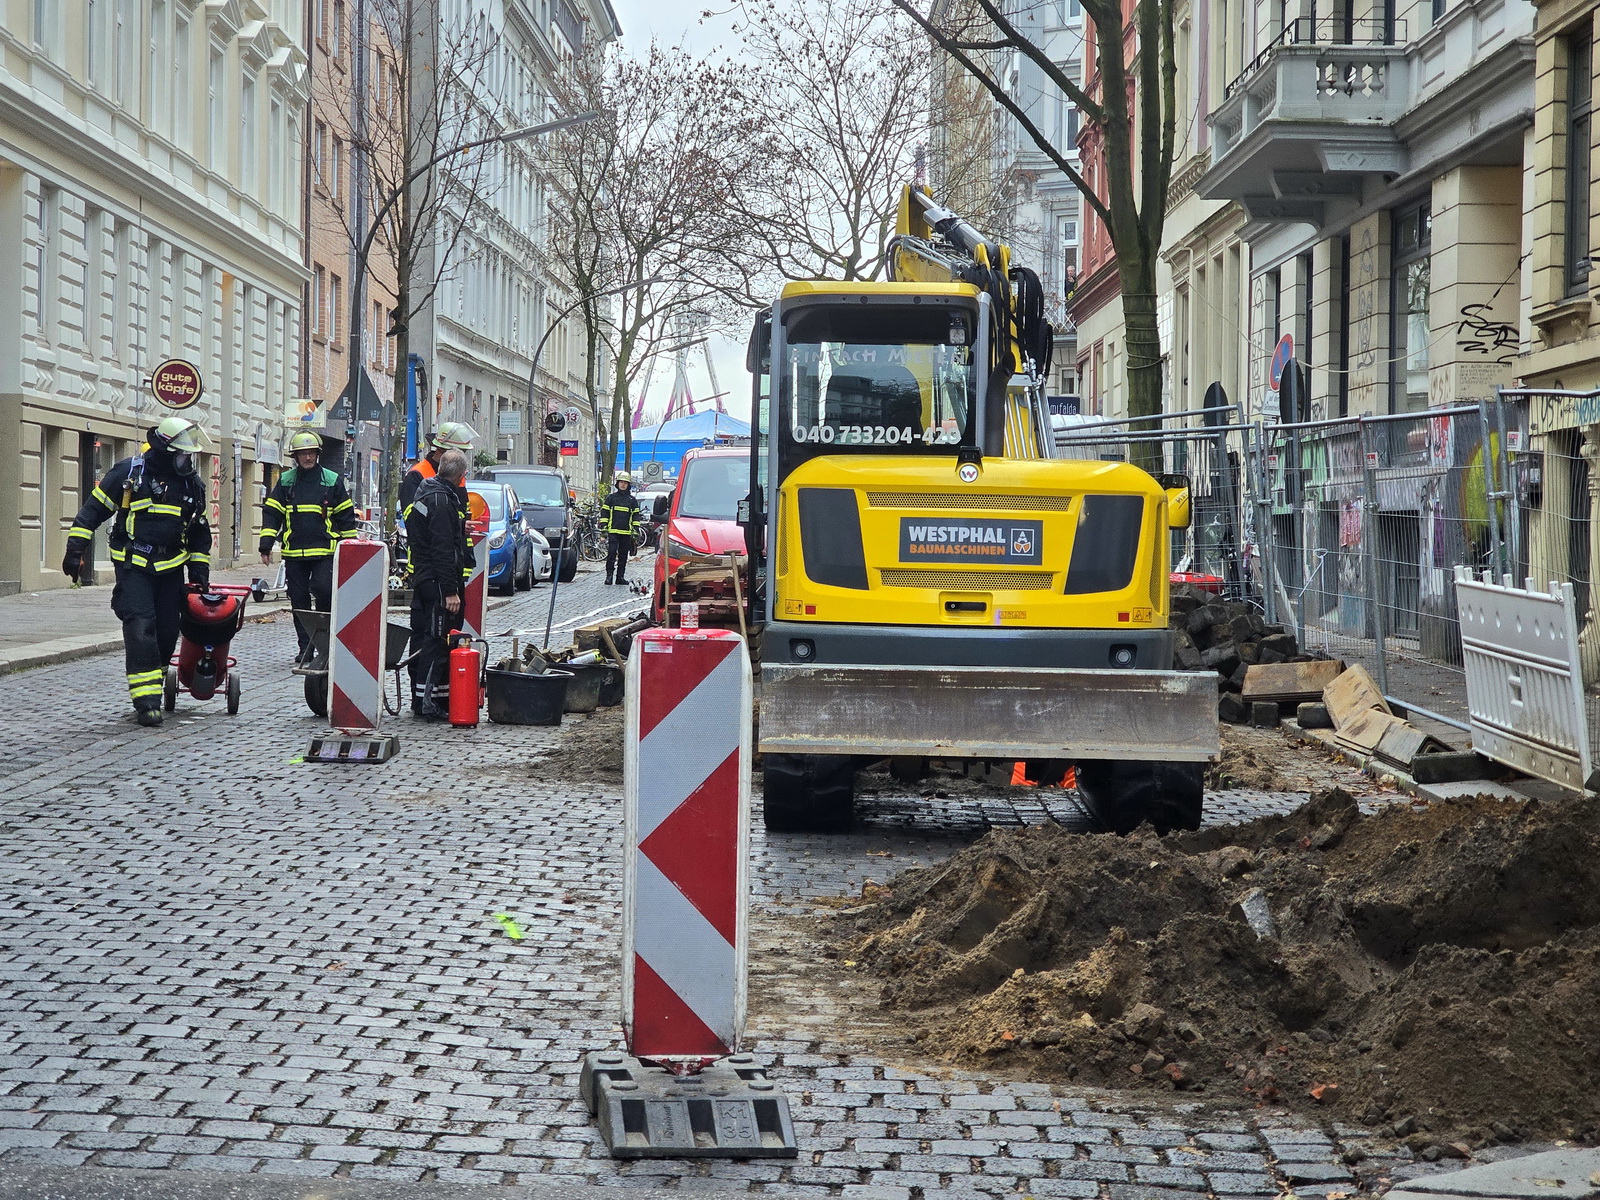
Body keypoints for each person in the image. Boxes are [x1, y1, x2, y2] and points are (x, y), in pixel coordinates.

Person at [61, 416, 212, 728]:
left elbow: (199, 535)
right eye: (183, 454)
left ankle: (152, 686)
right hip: (133, 566)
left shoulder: (192, 486)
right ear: (165, 451)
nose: (188, 460)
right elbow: (92, 512)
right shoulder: (130, 473)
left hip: (171, 569)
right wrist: (75, 551)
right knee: (141, 628)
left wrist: (199, 575)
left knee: (169, 632)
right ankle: (147, 704)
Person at [258, 432, 358, 658]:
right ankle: (306, 647)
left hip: (325, 552)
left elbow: (345, 517)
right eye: (303, 453)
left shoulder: (332, 481)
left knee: (324, 592)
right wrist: (266, 544)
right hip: (294, 553)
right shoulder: (286, 481)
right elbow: (272, 513)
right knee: (299, 600)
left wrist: (350, 549)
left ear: (318, 454)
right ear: (296, 456)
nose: (308, 458)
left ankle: (323, 642)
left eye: (311, 453)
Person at [404, 449, 473, 720]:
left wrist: (459, 525)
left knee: (423, 638)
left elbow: (427, 533)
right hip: (437, 582)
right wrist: (451, 591)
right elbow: (442, 549)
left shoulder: (425, 492)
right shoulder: (442, 500)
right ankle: (428, 703)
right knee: (439, 640)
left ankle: (427, 698)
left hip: (423, 578)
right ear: (460, 476)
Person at [398, 421, 478, 515]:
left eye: (463, 452)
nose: (461, 457)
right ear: (440, 450)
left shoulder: (457, 474)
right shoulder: (417, 474)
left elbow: (462, 507)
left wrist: (461, 522)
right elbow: (410, 511)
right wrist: (436, 517)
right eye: (458, 452)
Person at [601, 471, 642, 585]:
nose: (623, 484)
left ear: (628, 485)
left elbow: (635, 516)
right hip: (613, 531)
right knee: (611, 554)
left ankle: (620, 577)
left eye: (625, 483)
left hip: (626, 532)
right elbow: (604, 514)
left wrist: (635, 531)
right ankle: (609, 576)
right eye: (621, 482)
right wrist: (604, 528)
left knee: (623, 555)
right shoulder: (611, 498)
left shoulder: (632, 501)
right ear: (617, 483)